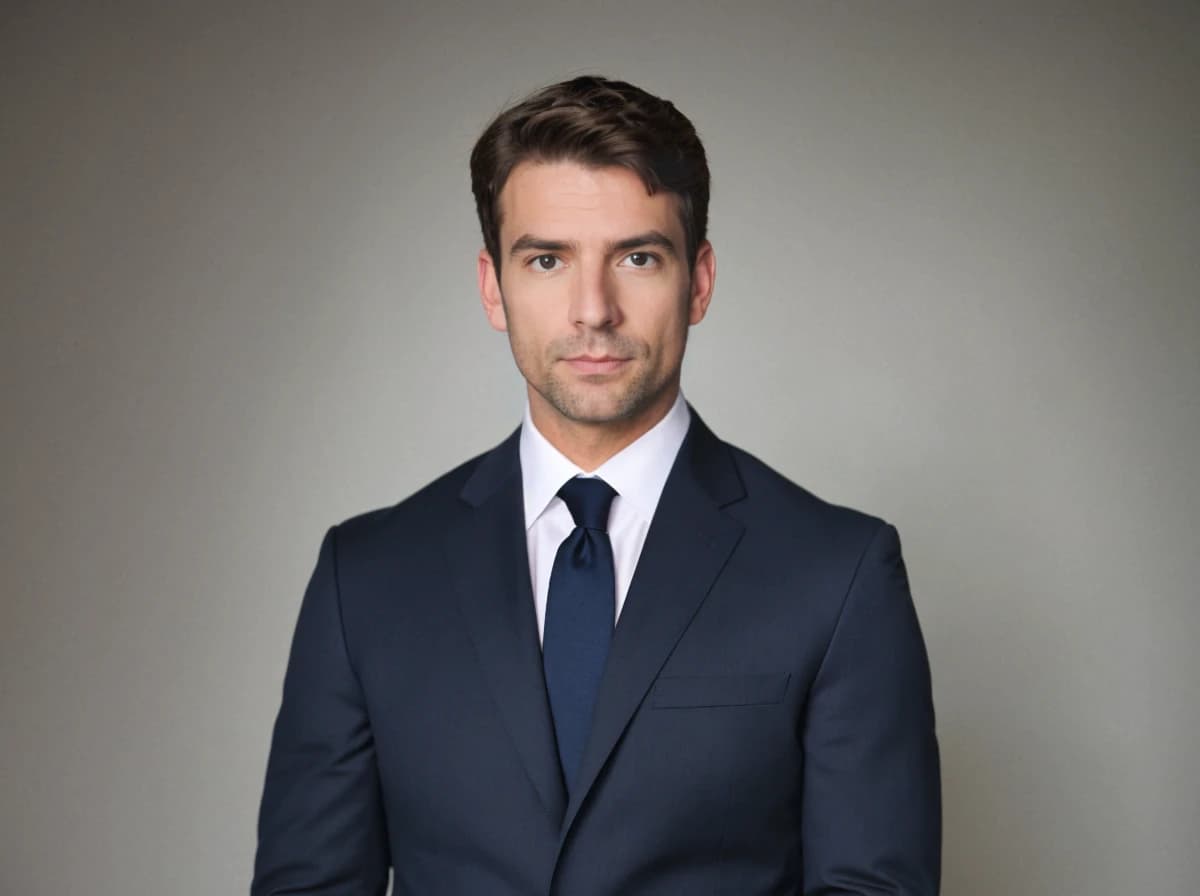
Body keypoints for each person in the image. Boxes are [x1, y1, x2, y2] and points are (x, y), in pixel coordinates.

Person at [251, 75, 941, 895]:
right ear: (492, 287)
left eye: (638, 257)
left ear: (700, 280)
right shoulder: (362, 578)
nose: (593, 309)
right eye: (547, 259)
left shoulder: (840, 574)